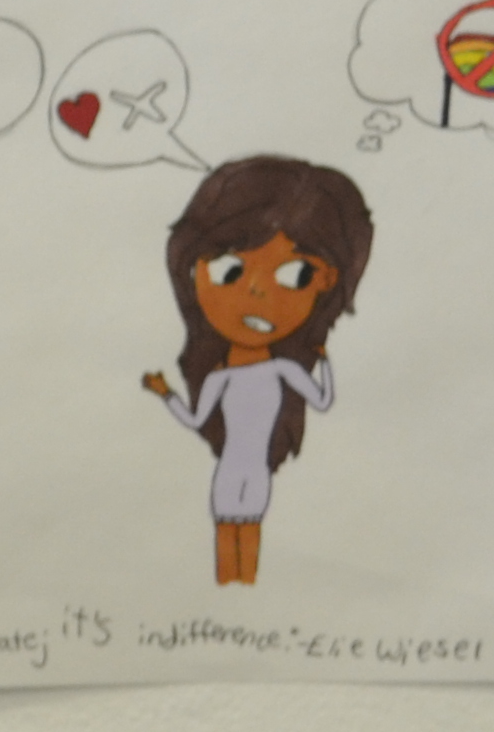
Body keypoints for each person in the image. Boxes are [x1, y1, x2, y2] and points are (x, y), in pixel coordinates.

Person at [141, 154, 374, 588]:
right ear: (192, 269)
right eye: (230, 269)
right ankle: (228, 597)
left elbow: (323, 400)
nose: (256, 291)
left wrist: (325, 362)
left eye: (296, 275)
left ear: (326, 284)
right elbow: (195, 419)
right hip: (229, 472)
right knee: (226, 538)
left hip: (257, 472)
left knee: (248, 538)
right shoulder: (220, 377)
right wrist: (164, 392)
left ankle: (242, 598)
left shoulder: (284, 369)